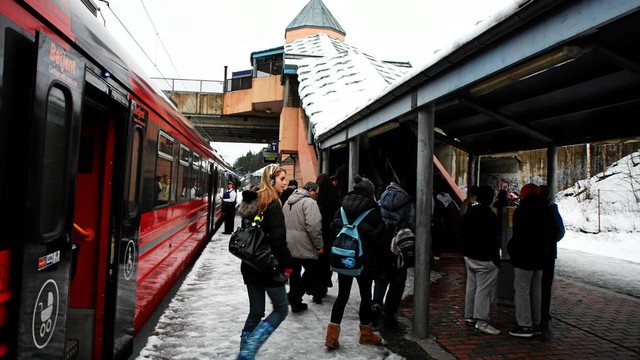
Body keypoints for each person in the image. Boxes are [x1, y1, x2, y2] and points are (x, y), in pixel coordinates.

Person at [236, 164, 293, 359]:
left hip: (250, 264)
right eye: (282, 179)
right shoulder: (273, 205)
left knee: (256, 311)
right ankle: (251, 346)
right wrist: (287, 266)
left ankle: (244, 347)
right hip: (268, 266)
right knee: (281, 309)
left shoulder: (254, 202)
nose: (285, 183)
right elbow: (278, 241)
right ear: (271, 180)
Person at [325, 175, 386, 350]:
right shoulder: (372, 211)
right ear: (370, 193)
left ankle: (331, 336)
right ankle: (366, 334)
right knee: (366, 296)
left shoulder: (342, 208)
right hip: (363, 262)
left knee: (342, 296)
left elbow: (333, 229)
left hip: (343, 258)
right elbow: (379, 239)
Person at [507, 183, 552, 338]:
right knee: (536, 290)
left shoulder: (521, 212)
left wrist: (511, 251)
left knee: (522, 290)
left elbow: (518, 237)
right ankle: (536, 322)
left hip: (524, 257)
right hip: (540, 258)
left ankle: (524, 325)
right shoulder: (546, 211)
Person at [371, 180, 416, 328]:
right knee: (399, 276)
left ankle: (377, 302)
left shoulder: (383, 197)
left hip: (383, 242)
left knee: (382, 275)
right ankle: (390, 309)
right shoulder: (409, 201)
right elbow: (413, 221)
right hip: (399, 243)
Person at [461, 185, 501, 335]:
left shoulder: (469, 212)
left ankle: (470, 316)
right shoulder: (489, 215)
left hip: (469, 255)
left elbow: (463, 232)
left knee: (472, 286)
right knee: (483, 290)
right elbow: (494, 236)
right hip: (485, 257)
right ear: (490, 199)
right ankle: (481, 321)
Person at [283, 181, 323, 312]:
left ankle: (296, 302)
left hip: (289, 243)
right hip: (303, 243)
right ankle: (295, 297)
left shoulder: (289, 201)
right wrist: (319, 245)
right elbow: (314, 227)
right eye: (316, 193)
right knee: (313, 270)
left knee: (294, 273)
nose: (316, 196)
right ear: (311, 190)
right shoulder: (310, 202)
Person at [538, 185, 565, 331]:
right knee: (545, 285)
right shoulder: (551, 210)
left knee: (532, 285)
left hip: (532, 253)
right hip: (548, 253)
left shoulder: (531, 210)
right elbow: (560, 232)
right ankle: (543, 314)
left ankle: (533, 313)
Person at [314, 173, 341, 302]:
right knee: (327, 262)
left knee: (317, 262)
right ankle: (324, 286)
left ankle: (316, 290)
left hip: (319, 233)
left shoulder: (317, 198)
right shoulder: (335, 196)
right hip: (330, 234)